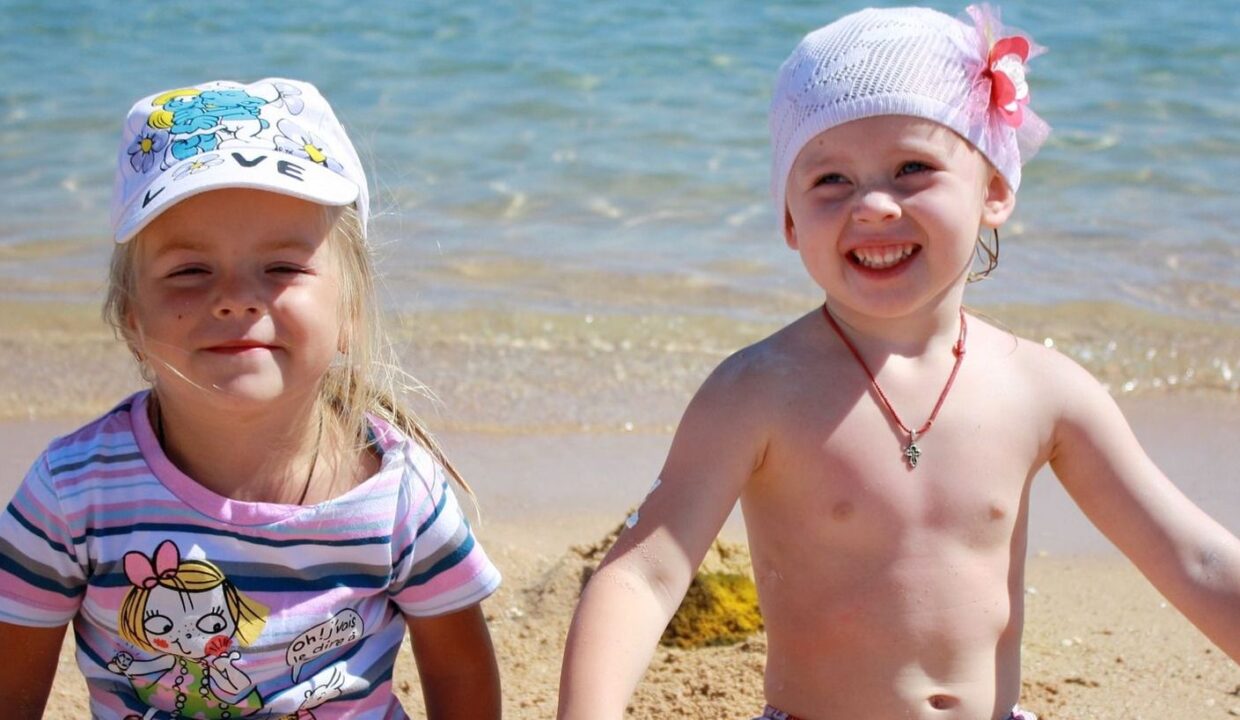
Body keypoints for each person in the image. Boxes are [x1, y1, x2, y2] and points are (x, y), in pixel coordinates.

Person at [557, 6, 1240, 720]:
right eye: (830, 181)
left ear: (996, 188)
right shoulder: (758, 393)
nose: (875, 205)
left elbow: (1193, 559)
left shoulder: (1043, 390)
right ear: (789, 219)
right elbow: (645, 573)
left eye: (913, 168)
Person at [0, 78, 502, 720]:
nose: (234, 297)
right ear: (131, 318)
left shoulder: (397, 493)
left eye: (283, 267)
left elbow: (459, 673)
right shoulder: (73, 494)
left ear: (349, 309)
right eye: (189, 270)